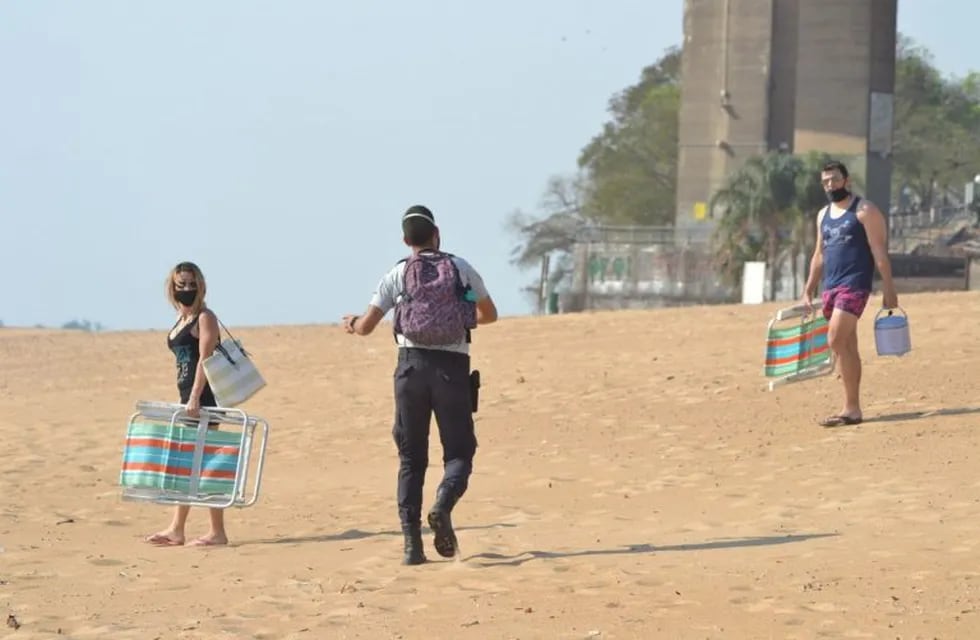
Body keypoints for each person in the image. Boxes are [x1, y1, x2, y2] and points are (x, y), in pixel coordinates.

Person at [343, 205, 498, 565]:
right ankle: (443, 504)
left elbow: (366, 326)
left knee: (411, 459)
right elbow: (489, 315)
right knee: (459, 452)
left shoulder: (397, 273)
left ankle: (412, 546)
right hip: (453, 369)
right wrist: (459, 314)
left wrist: (352, 323)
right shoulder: (461, 268)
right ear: (437, 234)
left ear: (405, 240)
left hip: (410, 369)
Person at [803, 161, 899, 427]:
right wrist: (809, 289)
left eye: (834, 179)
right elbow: (819, 255)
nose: (830, 185)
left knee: (834, 338)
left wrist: (889, 288)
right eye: (825, 181)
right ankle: (852, 409)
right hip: (831, 287)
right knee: (847, 347)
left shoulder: (865, 210)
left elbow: (880, 252)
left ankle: (832, 371)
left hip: (855, 285)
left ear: (847, 180)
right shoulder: (823, 215)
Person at [145, 261, 230, 547]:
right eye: (181, 285)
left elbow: (206, 360)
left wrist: (195, 396)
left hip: (202, 400)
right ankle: (177, 528)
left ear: (200, 285)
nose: (186, 289)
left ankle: (215, 532)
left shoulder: (204, 317)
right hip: (187, 399)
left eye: (191, 284)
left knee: (205, 465)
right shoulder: (181, 319)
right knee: (187, 464)